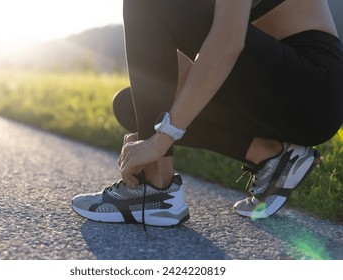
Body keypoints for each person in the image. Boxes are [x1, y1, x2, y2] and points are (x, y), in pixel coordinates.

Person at [72, 0, 343, 226]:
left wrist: (160, 141)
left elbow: (228, 44)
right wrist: (151, 125)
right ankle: (270, 156)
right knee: (132, 105)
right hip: (272, 97)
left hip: (313, 93)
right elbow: (194, 65)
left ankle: (155, 188)